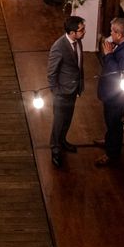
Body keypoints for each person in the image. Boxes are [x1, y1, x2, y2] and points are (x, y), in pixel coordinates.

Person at [95, 18, 124, 167]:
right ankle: (109, 142)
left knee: (114, 123)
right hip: (112, 93)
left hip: (116, 96)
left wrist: (108, 54)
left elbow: (118, 73)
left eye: (112, 31)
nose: (110, 34)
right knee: (109, 122)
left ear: (119, 35)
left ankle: (111, 153)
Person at [47, 16, 86, 168]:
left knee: (68, 119)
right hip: (62, 93)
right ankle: (55, 149)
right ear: (71, 32)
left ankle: (63, 141)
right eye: (81, 30)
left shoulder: (78, 41)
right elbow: (51, 73)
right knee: (58, 122)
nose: (84, 32)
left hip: (73, 89)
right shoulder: (59, 46)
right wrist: (56, 91)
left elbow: (78, 65)